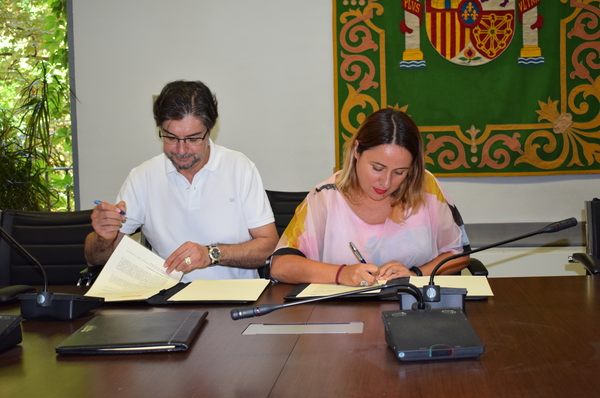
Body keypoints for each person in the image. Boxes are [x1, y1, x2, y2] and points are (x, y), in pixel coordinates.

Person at [84, 80, 279, 281]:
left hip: (236, 302)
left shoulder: (240, 168)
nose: (181, 150)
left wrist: (211, 254)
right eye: (171, 138)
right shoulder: (143, 176)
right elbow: (95, 259)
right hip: (169, 302)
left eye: (193, 139)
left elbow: (269, 247)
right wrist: (103, 237)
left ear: (209, 131)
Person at [269, 108, 470, 287]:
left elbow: (458, 254)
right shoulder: (326, 196)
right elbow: (281, 265)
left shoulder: (426, 187)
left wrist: (415, 274)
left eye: (400, 172)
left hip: (411, 308)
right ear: (357, 150)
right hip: (343, 314)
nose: (386, 182)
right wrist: (340, 273)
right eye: (377, 168)